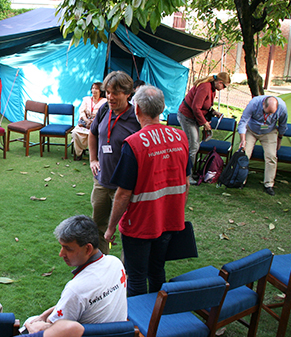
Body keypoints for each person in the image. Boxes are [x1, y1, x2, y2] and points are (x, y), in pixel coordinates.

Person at [104, 86, 191, 297]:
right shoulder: (180, 137)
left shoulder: (134, 145)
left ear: (138, 109)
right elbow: (186, 182)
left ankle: (137, 324)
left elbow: (123, 194)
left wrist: (110, 228)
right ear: (161, 108)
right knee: (157, 270)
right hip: (170, 220)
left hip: (141, 224)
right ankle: (157, 319)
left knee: (135, 277)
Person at [23, 215, 127, 337]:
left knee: (28, 325)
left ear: (88, 248)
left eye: (68, 249)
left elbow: (54, 331)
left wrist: (32, 325)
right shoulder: (115, 263)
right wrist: (44, 316)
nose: (61, 254)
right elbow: (80, 304)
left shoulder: (77, 288)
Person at [88, 71, 140, 254]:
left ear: (128, 94)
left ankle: (127, 272)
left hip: (124, 187)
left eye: (115, 93)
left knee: (127, 230)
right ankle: (100, 265)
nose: (110, 97)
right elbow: (93, 133)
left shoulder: (137, 117)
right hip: (102, 181)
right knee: (98, 227)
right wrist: (93, 159)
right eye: (107, 92)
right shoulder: (104, 110)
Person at [177, 72, 230, 180]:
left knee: (194, 145)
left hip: (193, 118)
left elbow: (205, 105)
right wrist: (204, 123)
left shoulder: (212, 88)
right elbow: (196, 107)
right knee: (193, 146)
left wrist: (214, 112)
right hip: (187, 117)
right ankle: (187, 175)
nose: (223, 88)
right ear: (220, 82)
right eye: (224, 86)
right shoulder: (205, 87)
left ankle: (189, 171)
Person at [238, 95, 288, 196]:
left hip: (269, 132)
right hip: (251, 130)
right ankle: (240, 181)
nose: (268, 115)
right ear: (263, 104)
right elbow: (243, 121)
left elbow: (283, 125)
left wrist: (279, 139)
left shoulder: (282, 108)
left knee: (271, 157)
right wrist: (243, 140)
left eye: (271, 113)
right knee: (245, 154)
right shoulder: (254, 103)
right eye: (267, 112)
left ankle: (269, 184)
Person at [71, 82, 107, 161]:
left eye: (96, 88)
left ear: (100, 91)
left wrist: (93, 122)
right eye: (93, 88)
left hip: (97, 123)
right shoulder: (86, 99)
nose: (94, 90)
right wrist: (87, 120)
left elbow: (104, 114)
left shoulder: (104, 101)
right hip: (85, 122)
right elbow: (82, 111)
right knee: (75, 133)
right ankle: (79, 153)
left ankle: (95, 155)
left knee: (98, 134)